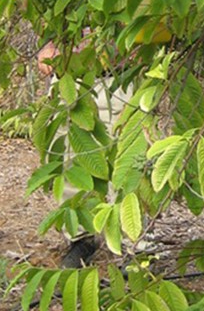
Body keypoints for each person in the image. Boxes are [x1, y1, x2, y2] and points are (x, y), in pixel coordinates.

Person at [37, 35, 134, 268]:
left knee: (129, 165)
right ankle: (80, 238)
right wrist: (48, 46)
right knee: (70, 162)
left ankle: (136, 243)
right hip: (69, 78)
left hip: (119, 78)